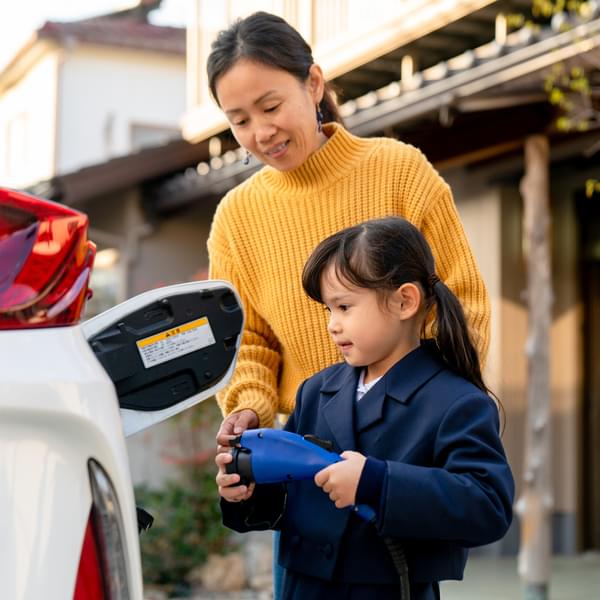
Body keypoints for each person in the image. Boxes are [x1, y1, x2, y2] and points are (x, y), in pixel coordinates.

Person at [206, 11, 491, 597]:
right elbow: (245, 339)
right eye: (238, 120)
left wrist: (400, 408)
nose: (260, 132)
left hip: (402, 460)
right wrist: (251, 412)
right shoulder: (237, 218)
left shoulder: (399, 171)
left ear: (313, 84)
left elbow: (462, 302)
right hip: (304, 462)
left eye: (269, 105)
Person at [215, 216, 514, 600]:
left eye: (344, 307)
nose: (332, 325)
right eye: (328, 310)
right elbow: (287, 493)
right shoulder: (316, 390)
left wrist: (376, 483)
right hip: (303, 587)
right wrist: (246, 491)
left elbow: (487, 506)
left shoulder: (457, 401)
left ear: (405, 301)